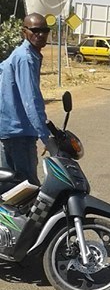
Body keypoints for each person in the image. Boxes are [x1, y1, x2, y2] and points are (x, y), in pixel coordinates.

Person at [0, 13, 58, 185]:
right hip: (19, 132)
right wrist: (46, 137)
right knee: (28, 186)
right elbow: (31, 101)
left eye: (44, 30)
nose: (40, 34)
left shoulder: (24, 54)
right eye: (35, 30)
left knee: (11, 186)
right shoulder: (25, 58)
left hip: (9, 129)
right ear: (24, 31)